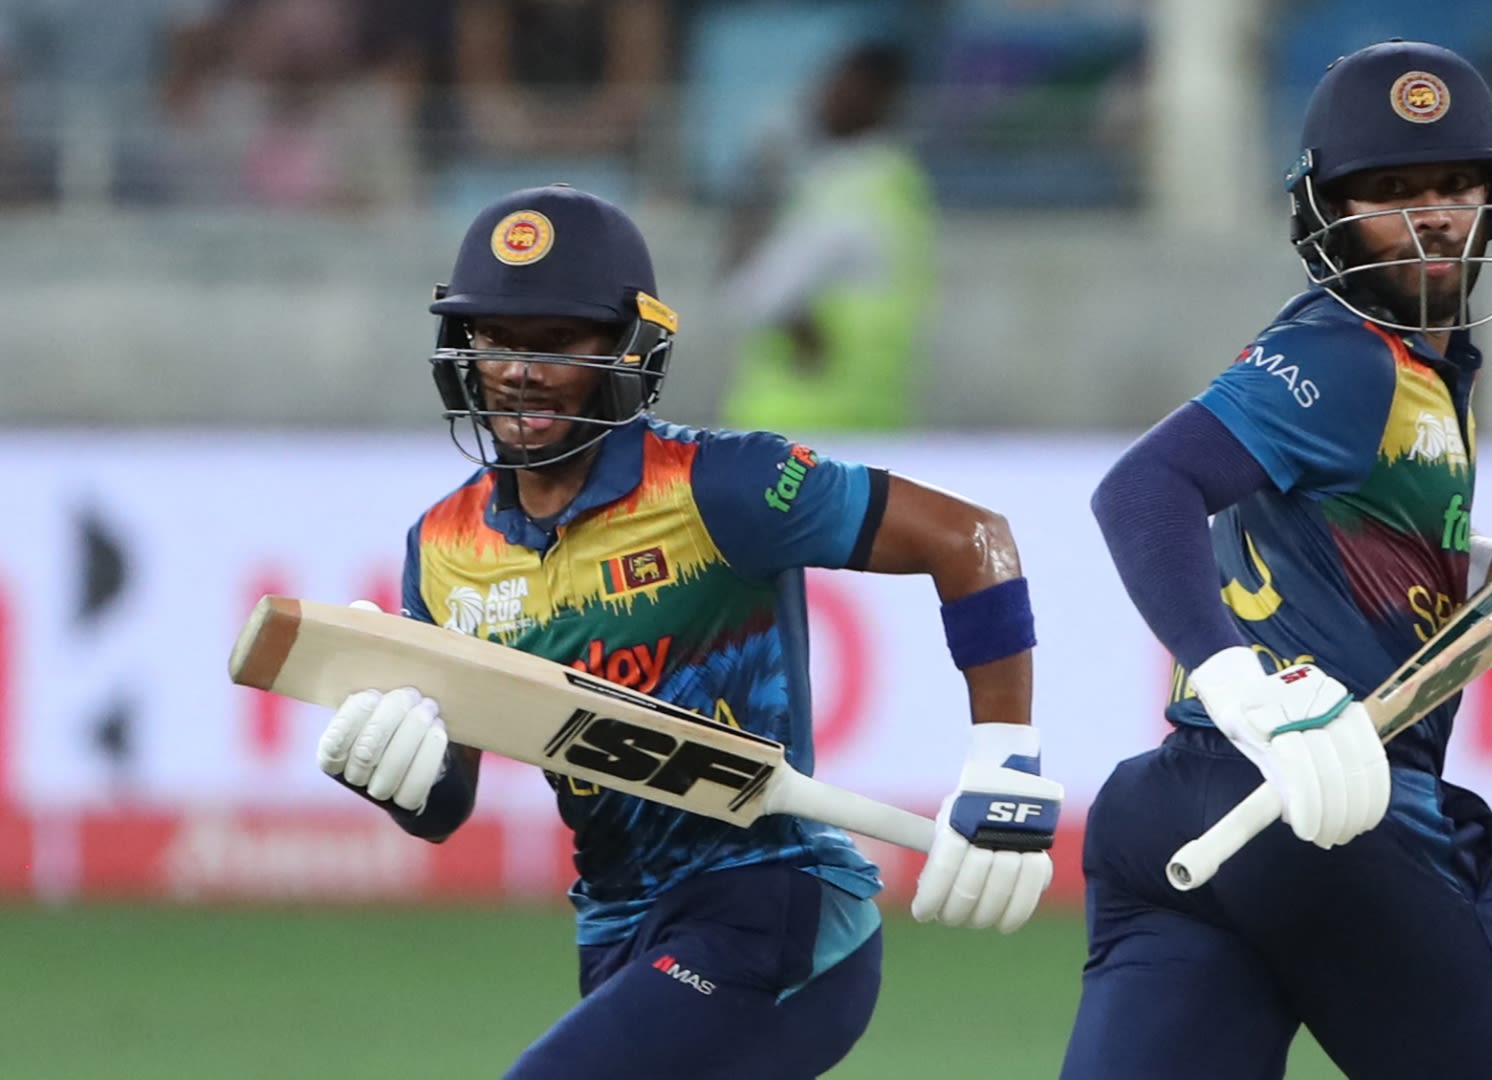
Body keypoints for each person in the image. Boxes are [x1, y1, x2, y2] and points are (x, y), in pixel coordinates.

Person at [1059, 41, 1492, 1080]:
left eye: (1456, 184)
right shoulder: (1346, 356)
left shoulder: (1418, 370)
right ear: (1325, 214)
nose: (1433, 215)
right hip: (1333, 807)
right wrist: (1239, 680)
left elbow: (1406, 568)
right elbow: (1143, 488)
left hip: (1178, 812)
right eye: (1391, 192)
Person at [313, 183, 1061, 1079]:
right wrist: (392, 771)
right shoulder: (441, 547)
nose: (518, 370)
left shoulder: (723, 487)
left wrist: (1006, 763)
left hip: (775, 908)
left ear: (627, 350)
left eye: (557, 341)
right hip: (617, 930)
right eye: (496, 338)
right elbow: (445, 808)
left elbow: (971, 539)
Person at [719, 40, 936, 433]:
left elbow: (756, 293)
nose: (825, 96)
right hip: (873, 415)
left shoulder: (845, 191)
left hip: (799, 422)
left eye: (841, 85)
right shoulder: (898, 182)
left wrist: (747, 206)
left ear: (876, 97)